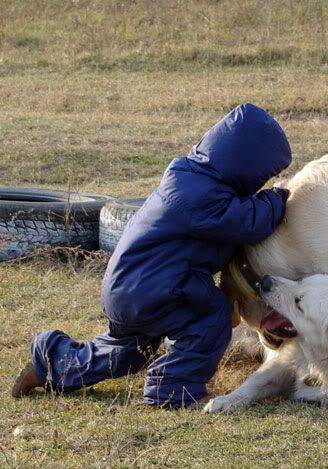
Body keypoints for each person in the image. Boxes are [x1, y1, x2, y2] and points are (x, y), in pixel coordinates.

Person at [12, 103, 291, 408]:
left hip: (126, 288)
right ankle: (173, 389)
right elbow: (248, 223)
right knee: (211, 318)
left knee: (125, 352)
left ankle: (50, 366)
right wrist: (276, 197)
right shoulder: (199, 197)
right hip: (156, 288)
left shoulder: (190, 179)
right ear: (246, 165)